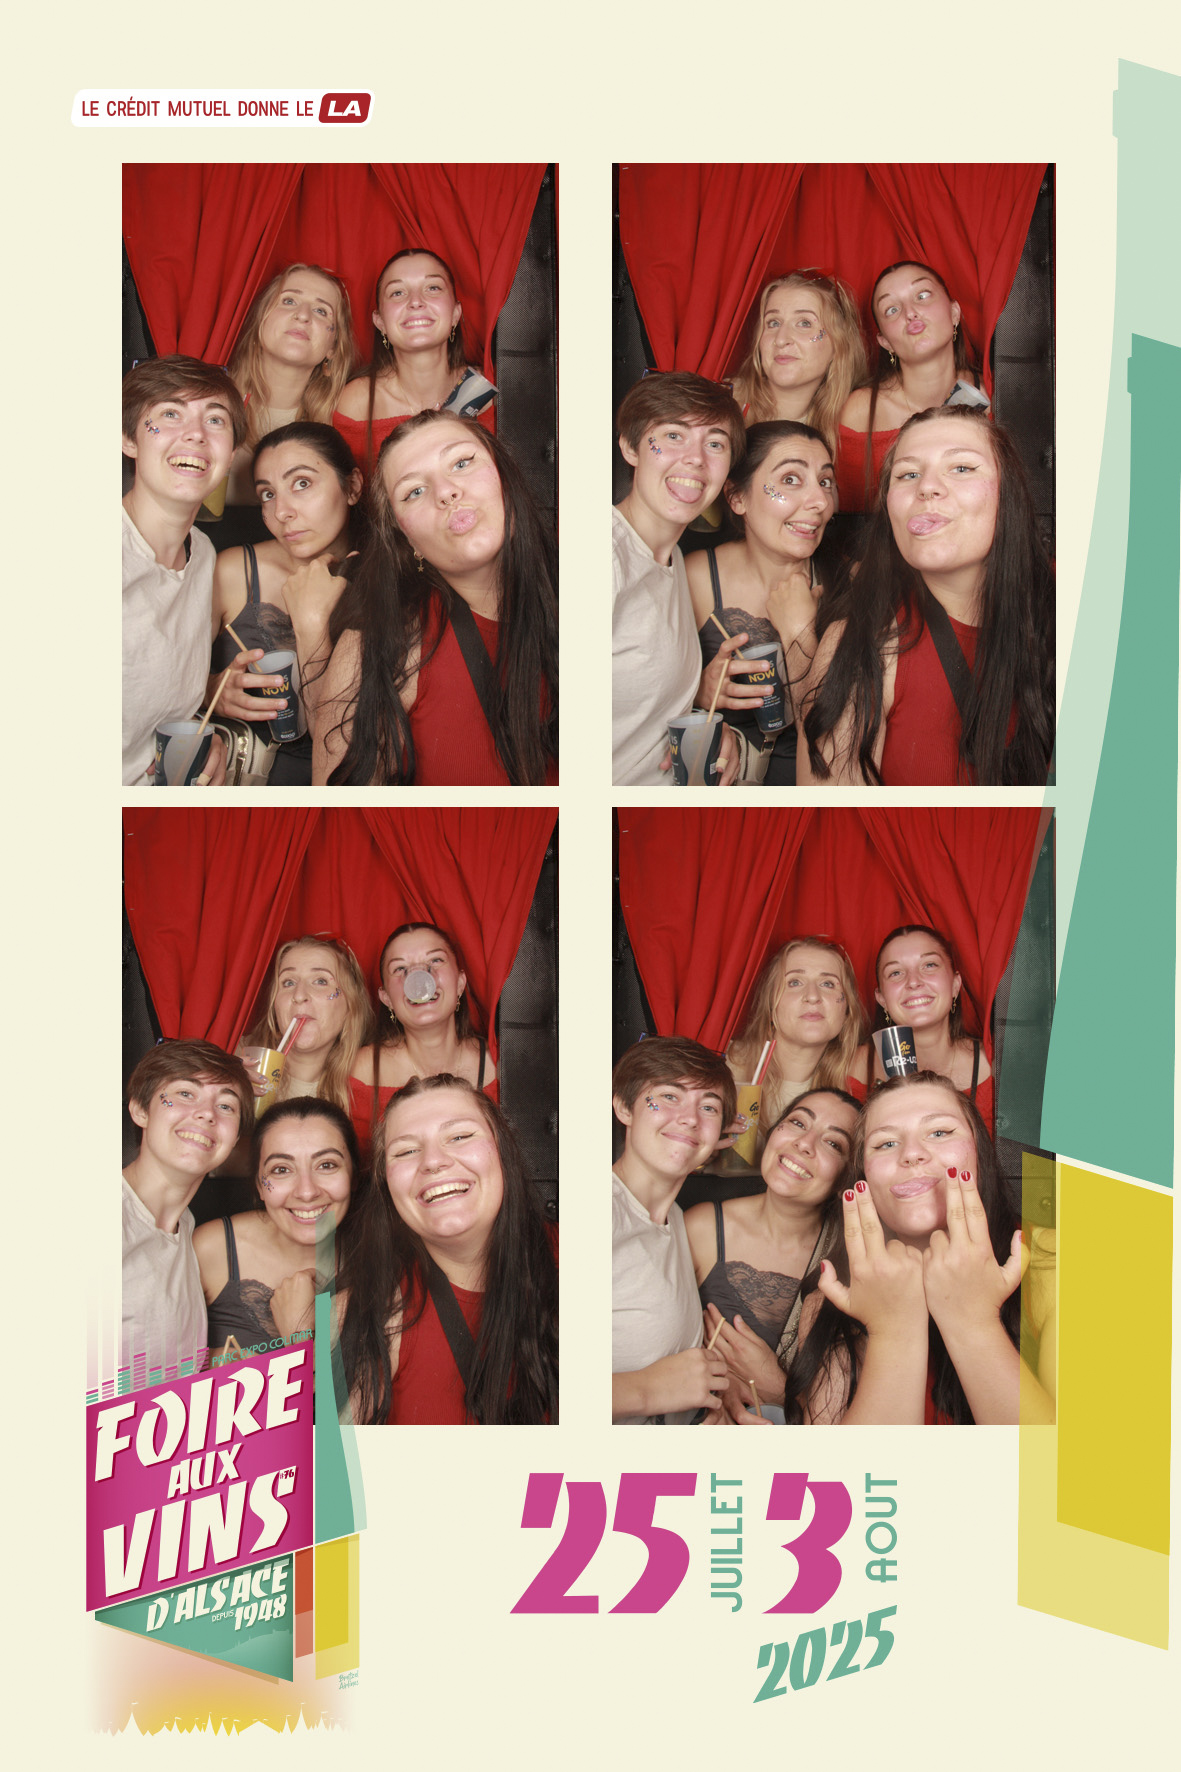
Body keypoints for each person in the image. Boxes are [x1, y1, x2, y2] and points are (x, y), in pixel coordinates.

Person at [798, 406, 1054, 786]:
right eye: (908, 474)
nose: (927, 487)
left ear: (1008, 494)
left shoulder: (1071, 613)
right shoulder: (862, 646)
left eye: (961, 468)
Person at [784, 1073, 1054, 1425]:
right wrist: (893, 1330)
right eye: (885, 1143)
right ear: (863, 1178)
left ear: (980, 1151)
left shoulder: (1055, 1261)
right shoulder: (834, 1297)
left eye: (940, 1132)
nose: (911, 1154)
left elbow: (1070, 1461)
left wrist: (973, 1320)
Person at [315, 411, 557, 785]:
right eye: (414, 491)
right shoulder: (379, 650)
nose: (446, 492)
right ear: (407, 539)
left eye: (461, 463)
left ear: (504, 476)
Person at [337, 1076, 558, 1425]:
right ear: (386, 1183)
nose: (433, 1161)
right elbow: (318, 1458)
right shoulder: (364, 1313)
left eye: (460, 1136)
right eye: (406, 1151)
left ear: (503, 1149)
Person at [685, 1088, 858, 1423]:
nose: (804, 1143)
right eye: (798, 1123)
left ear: (845, 1177)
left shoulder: (851, 1266)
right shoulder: (700, 1228)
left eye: (833, 1143)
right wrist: (715, 1383)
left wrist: (777, 1386)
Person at [612, 372, 750, 786]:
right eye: (673, 436)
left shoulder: (670, 554)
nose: (696, 458)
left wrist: (705, 718)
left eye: (715, 444)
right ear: (630, 447)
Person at [209, 423, 364, 786]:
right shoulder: (232, 572)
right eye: (268, 494)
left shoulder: (389, 578)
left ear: (353, 487)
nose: (281, 512)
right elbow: (161, 679)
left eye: (302, 483)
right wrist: (210, 691)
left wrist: (311, 621)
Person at [687, 421, 838, 784]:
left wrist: (800, 630)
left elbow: (842, 730)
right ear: (737, 497)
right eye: (790, 479)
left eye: (825, 481)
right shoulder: (693, 578)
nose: (819, 501)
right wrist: (697, 695)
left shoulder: (848, 582)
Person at [122, 355, 247, 784]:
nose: (195, 433)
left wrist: (201, 737)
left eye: (215, 420)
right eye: (170, 414)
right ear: (129, 439)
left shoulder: (204, 554)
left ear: (231, 455)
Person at [611, 1035, 737, 1424]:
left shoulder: (676, 1218)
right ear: (624, 1107)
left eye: (709, 1107)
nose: (690, 1118)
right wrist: (648, 1390)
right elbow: (530, 1383)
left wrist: (712, 1405)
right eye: (668, 1096)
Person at [122, 1039, 254, 1384]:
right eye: (184, 1093)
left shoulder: (187, 1229)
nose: (207, 1113)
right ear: (140, 1110)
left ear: (234, 1141)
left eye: (226, 1105)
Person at [194, 1096, 361, 1358]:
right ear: (260, 1186)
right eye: (281, 1169)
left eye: (327, 1165)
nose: (306, 1192)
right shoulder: (210, 1249)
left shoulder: (380, 1263)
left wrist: (298, 1338)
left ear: (353, 1176)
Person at [836, 260, 989, 513]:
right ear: (885, 342)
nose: (910, 312)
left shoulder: (994, 394)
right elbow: (850, 517)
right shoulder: (860, 411)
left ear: (954, 313)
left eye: (923, 295)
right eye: (892, 309)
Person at [333, 249, 496, 475]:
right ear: (380, 322)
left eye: (433, 288)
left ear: (455, 314)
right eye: (398, 292)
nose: (416, 301)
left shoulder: (491, 390)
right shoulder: (356, 404)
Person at [348, 922, 498, 1160]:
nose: (419, 978)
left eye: (435, 961)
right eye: (400, 968)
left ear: (460, 983)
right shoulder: (361, 1071)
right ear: (386, 998)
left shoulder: (499, 1064)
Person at [222, 263, 356, 515]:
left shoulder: (344, 422)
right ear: (260, 321)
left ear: (332, 347)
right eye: (289, 301)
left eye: (321, 310)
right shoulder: (212, 401)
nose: (303, 315)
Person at [850, 925, 994, 1129]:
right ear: (882, 999)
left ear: (955, 985)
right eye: (895, 972)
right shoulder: (851, 1068)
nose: (913, 982)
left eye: (929, 965)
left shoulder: (996, 1065)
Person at [727, 939, 866, 1150]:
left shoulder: (852, 1088)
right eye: (794, 982)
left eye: (828, 984)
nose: (812, 996)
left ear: (847, 1010)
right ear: (770, 1003)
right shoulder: (722, 1065)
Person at [732, 271, 867, 451]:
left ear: (839, 343)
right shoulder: (724, 405)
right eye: (773, 323)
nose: (781, 339)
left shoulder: (853, 427)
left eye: (804, 323)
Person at [242, 936, 372, 1114]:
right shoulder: (237, 1056)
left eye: (321, 981)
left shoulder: (365, 1085)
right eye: (288, 982)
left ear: (351, 1004)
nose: (299, 995)